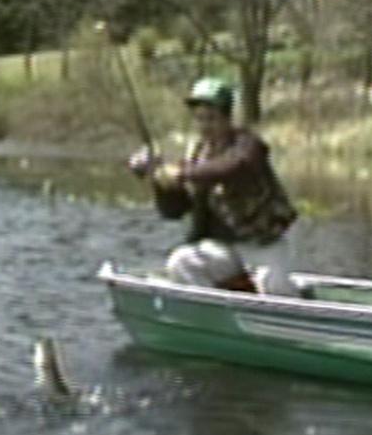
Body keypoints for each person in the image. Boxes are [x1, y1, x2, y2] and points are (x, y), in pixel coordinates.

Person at [128, 77, 301, 296]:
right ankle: (214, 318)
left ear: (227, 119)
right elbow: (174, 210)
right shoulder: (196, 156)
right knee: (182, 262)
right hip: (223, 248)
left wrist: (181, 174)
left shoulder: (248, 145)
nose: (204, 126)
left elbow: (231, 167)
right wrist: (157, 178)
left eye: (211, 119)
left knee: (273, 285)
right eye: (199, 119)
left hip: (262, 244)